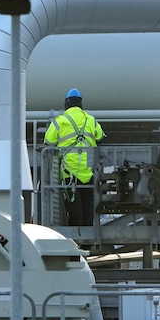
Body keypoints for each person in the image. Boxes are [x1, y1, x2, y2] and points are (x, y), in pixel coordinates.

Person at [44, 88, 104, 226]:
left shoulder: (60, 121)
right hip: (88, 171)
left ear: (67, 104)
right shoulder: (91, 120)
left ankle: (76, 238)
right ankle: (88, 233)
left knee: (73, 205)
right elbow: (100, 137)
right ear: (81, 104)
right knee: (88, 203)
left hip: (69, 171)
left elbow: (48, 141)